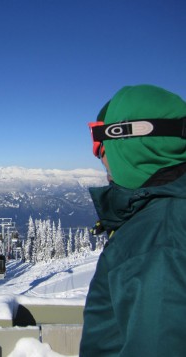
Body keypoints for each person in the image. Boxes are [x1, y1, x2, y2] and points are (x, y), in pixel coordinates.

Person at [80, 84, 186, 356]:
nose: (99, 157)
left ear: (127, 140)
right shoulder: (165, 216)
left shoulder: (159, 242)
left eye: (98, 143)